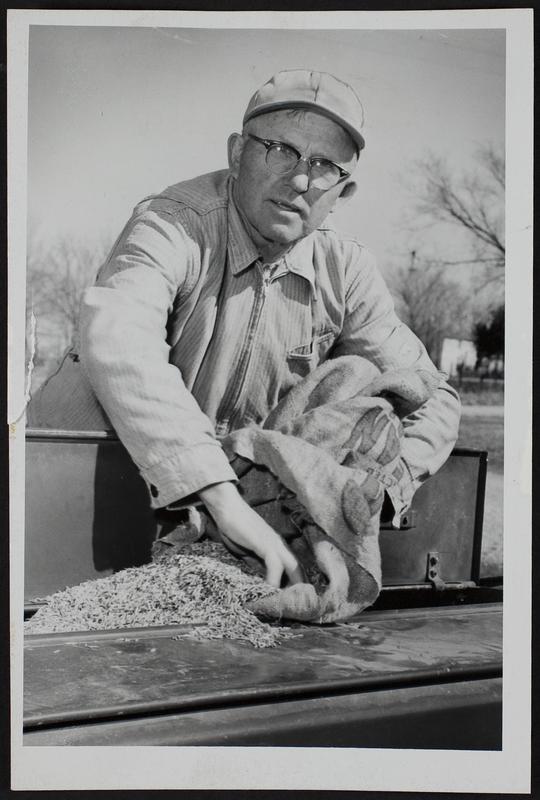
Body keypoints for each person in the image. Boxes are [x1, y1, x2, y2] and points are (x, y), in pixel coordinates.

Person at [28, 69, 460, 590]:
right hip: (69, 496)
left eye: (324, 166)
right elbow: (119, 338)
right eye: (280, 150)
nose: (299, 181)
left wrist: (367, 497)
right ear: (236, 153)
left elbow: (433, 394)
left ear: (343, 191)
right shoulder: (173, 223)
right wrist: (219, 492)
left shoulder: (345, 270)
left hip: (226, 526)